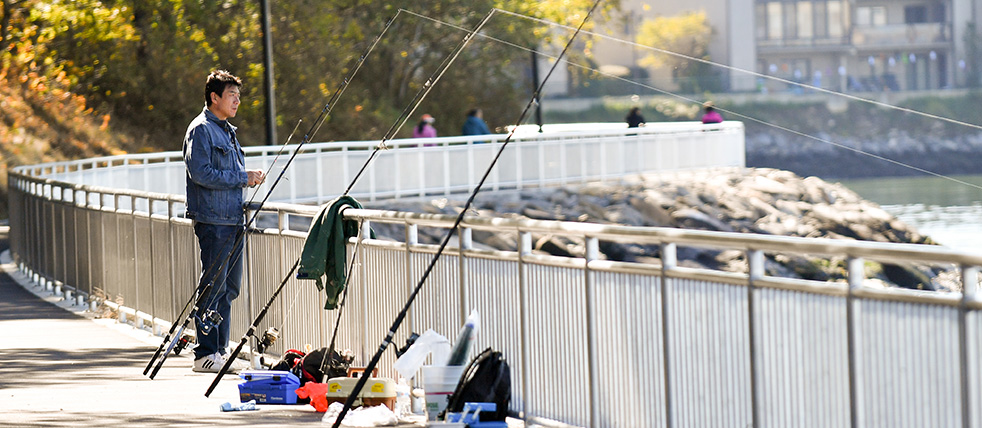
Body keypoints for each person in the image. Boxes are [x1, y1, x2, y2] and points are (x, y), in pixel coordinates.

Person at [183, 69, 264, 373]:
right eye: (231, 95)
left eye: (238, 96)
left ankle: (219, 350)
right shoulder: (201, 130)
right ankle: (204, 353)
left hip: (233, 219)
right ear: (214, 97)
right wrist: (243, 178)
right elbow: (201, 174)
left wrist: (246, 178)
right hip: (214, 221)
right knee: (213, 286)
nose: (237, 101)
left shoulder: (227, 130)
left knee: (229, 288)